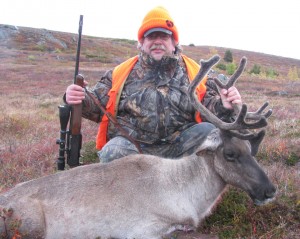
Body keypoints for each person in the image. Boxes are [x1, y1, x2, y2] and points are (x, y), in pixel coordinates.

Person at [65, 6, 242, 163]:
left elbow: (208, 109)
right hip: (136, 148)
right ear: (141, 43)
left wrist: (224, 106)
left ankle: (194, 194)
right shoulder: (120, 73)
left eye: (164, 36)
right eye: (151, 36)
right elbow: (97, 107)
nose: (157, 41)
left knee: (211, 133)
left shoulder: (196, 73)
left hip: (180, 147)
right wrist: (76, 97)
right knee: (113, 151)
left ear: (174, 43)